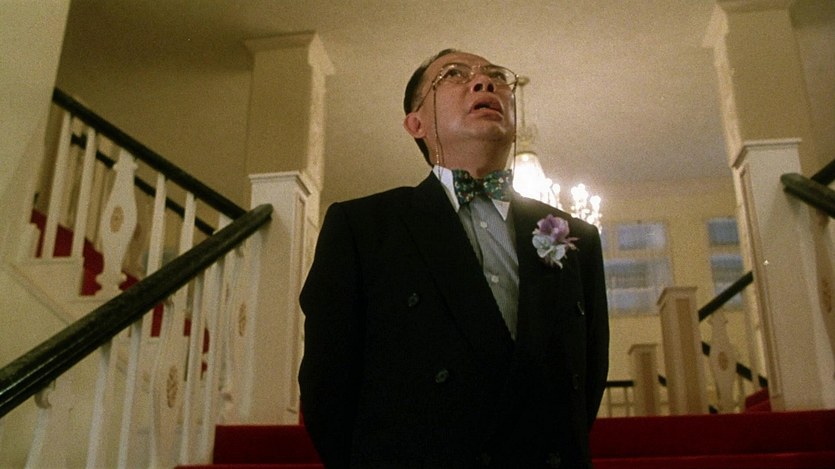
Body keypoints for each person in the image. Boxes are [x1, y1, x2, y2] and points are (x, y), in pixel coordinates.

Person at [298, 49, 609, 469]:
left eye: (496, 75)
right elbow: (327, 389)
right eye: (453, 75)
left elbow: (584, 384)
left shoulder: (574, 237)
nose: (484, 82)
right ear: (416, 124)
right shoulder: (362, 227)